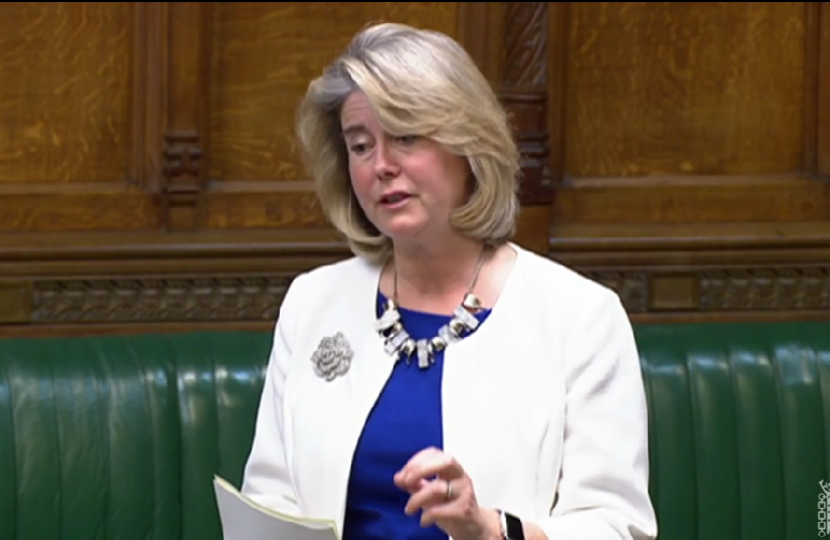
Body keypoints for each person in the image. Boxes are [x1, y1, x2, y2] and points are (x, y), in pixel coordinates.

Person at [239, 21, 658, 540]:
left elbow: (616, 527)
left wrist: (489, 531)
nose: (382, 166)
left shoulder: (580, 318)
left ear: (467, 144)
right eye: (361, 145)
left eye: (406, 136)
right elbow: (269, 503)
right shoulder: (313, 302)